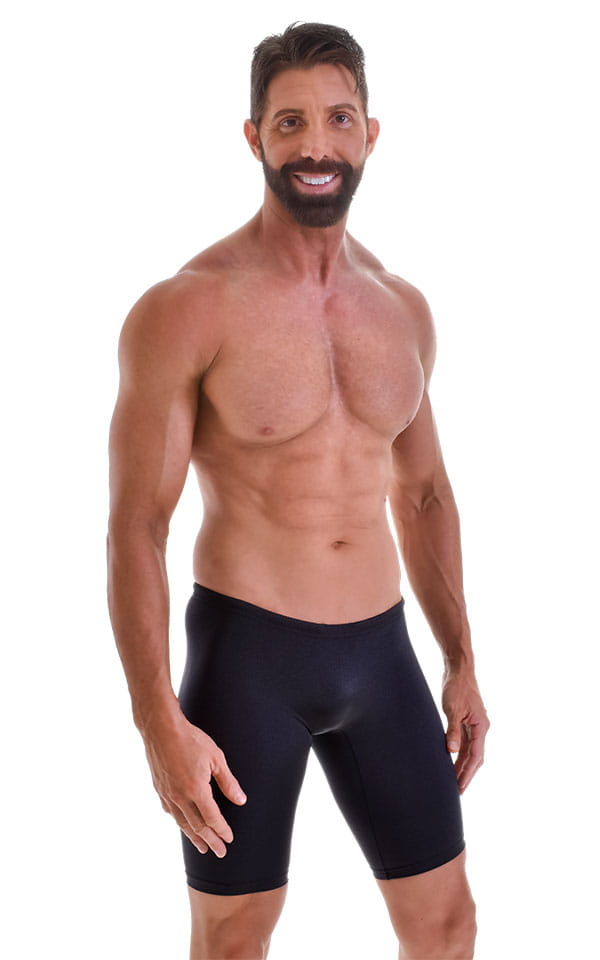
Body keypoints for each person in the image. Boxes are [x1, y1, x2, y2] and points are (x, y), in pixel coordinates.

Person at [107, 21, 490, 960]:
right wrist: (156, 721)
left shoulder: (402, 309)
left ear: (369, 134)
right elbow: (136, 528)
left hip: (383, 657)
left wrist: (461, 660)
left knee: (448, 926)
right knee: (234, 940)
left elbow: (426, 494)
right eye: (290, 123)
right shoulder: (187, 306)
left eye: (337, 119)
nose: (316, 146)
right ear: (254, 138)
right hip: (250, 656)